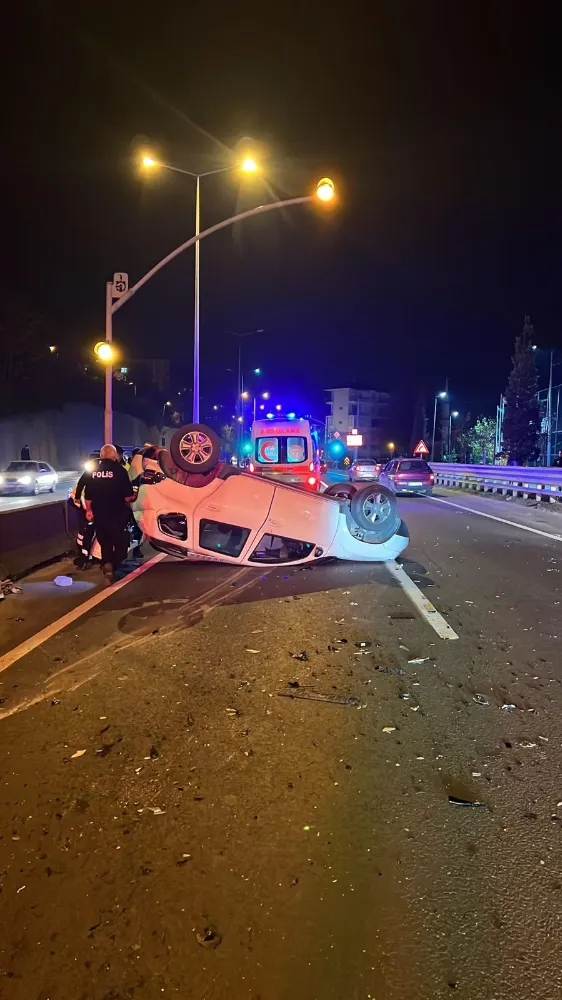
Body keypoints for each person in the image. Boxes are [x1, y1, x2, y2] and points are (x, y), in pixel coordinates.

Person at [84, 444, 136, 584]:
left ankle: (107, 564)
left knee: (105, 543)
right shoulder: (119, 471)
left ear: (101, 456)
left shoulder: (93, 472)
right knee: (121, 543)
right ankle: (113, 565)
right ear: (115, 456)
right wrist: (135, 495)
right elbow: (127, 498)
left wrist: (89, 511)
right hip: (117, 515)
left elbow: (88, 496)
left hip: (99, 515)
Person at [69, 468, 95, 569]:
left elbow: (77, 497)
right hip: (93, 511)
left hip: (89, 512)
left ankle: (85, 558)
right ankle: (88, 557)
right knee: (87, 535)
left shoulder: (87, 479)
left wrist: (87, 509)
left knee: (87, 535)